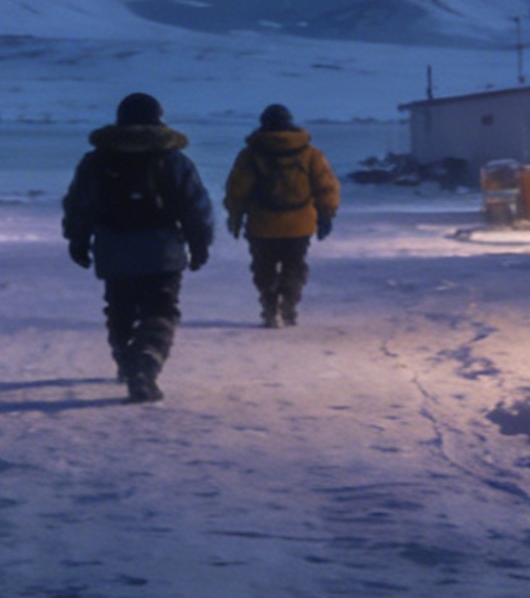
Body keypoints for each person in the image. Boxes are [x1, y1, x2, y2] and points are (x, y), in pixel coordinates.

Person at [62, 91, 216, 403]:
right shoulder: (174, 160)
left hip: (114, 249)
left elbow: (79, 204)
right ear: (159, 119)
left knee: (119, 308)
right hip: (162, 251)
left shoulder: (96, 161)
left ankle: (125, 360)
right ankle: (147, 358)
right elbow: (195, 205)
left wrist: (77, 240)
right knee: (161, 308)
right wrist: (199, 242)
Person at [223, 103, 341, 328]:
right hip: (299, 223)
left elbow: (237, 189)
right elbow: (326, 186)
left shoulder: (250, 155)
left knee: (263, 267)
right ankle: (288, 305)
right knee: (294, 265)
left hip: (261, 223)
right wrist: (326, 214)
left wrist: (235, 215)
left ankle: (269, 305)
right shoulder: (310, 154)